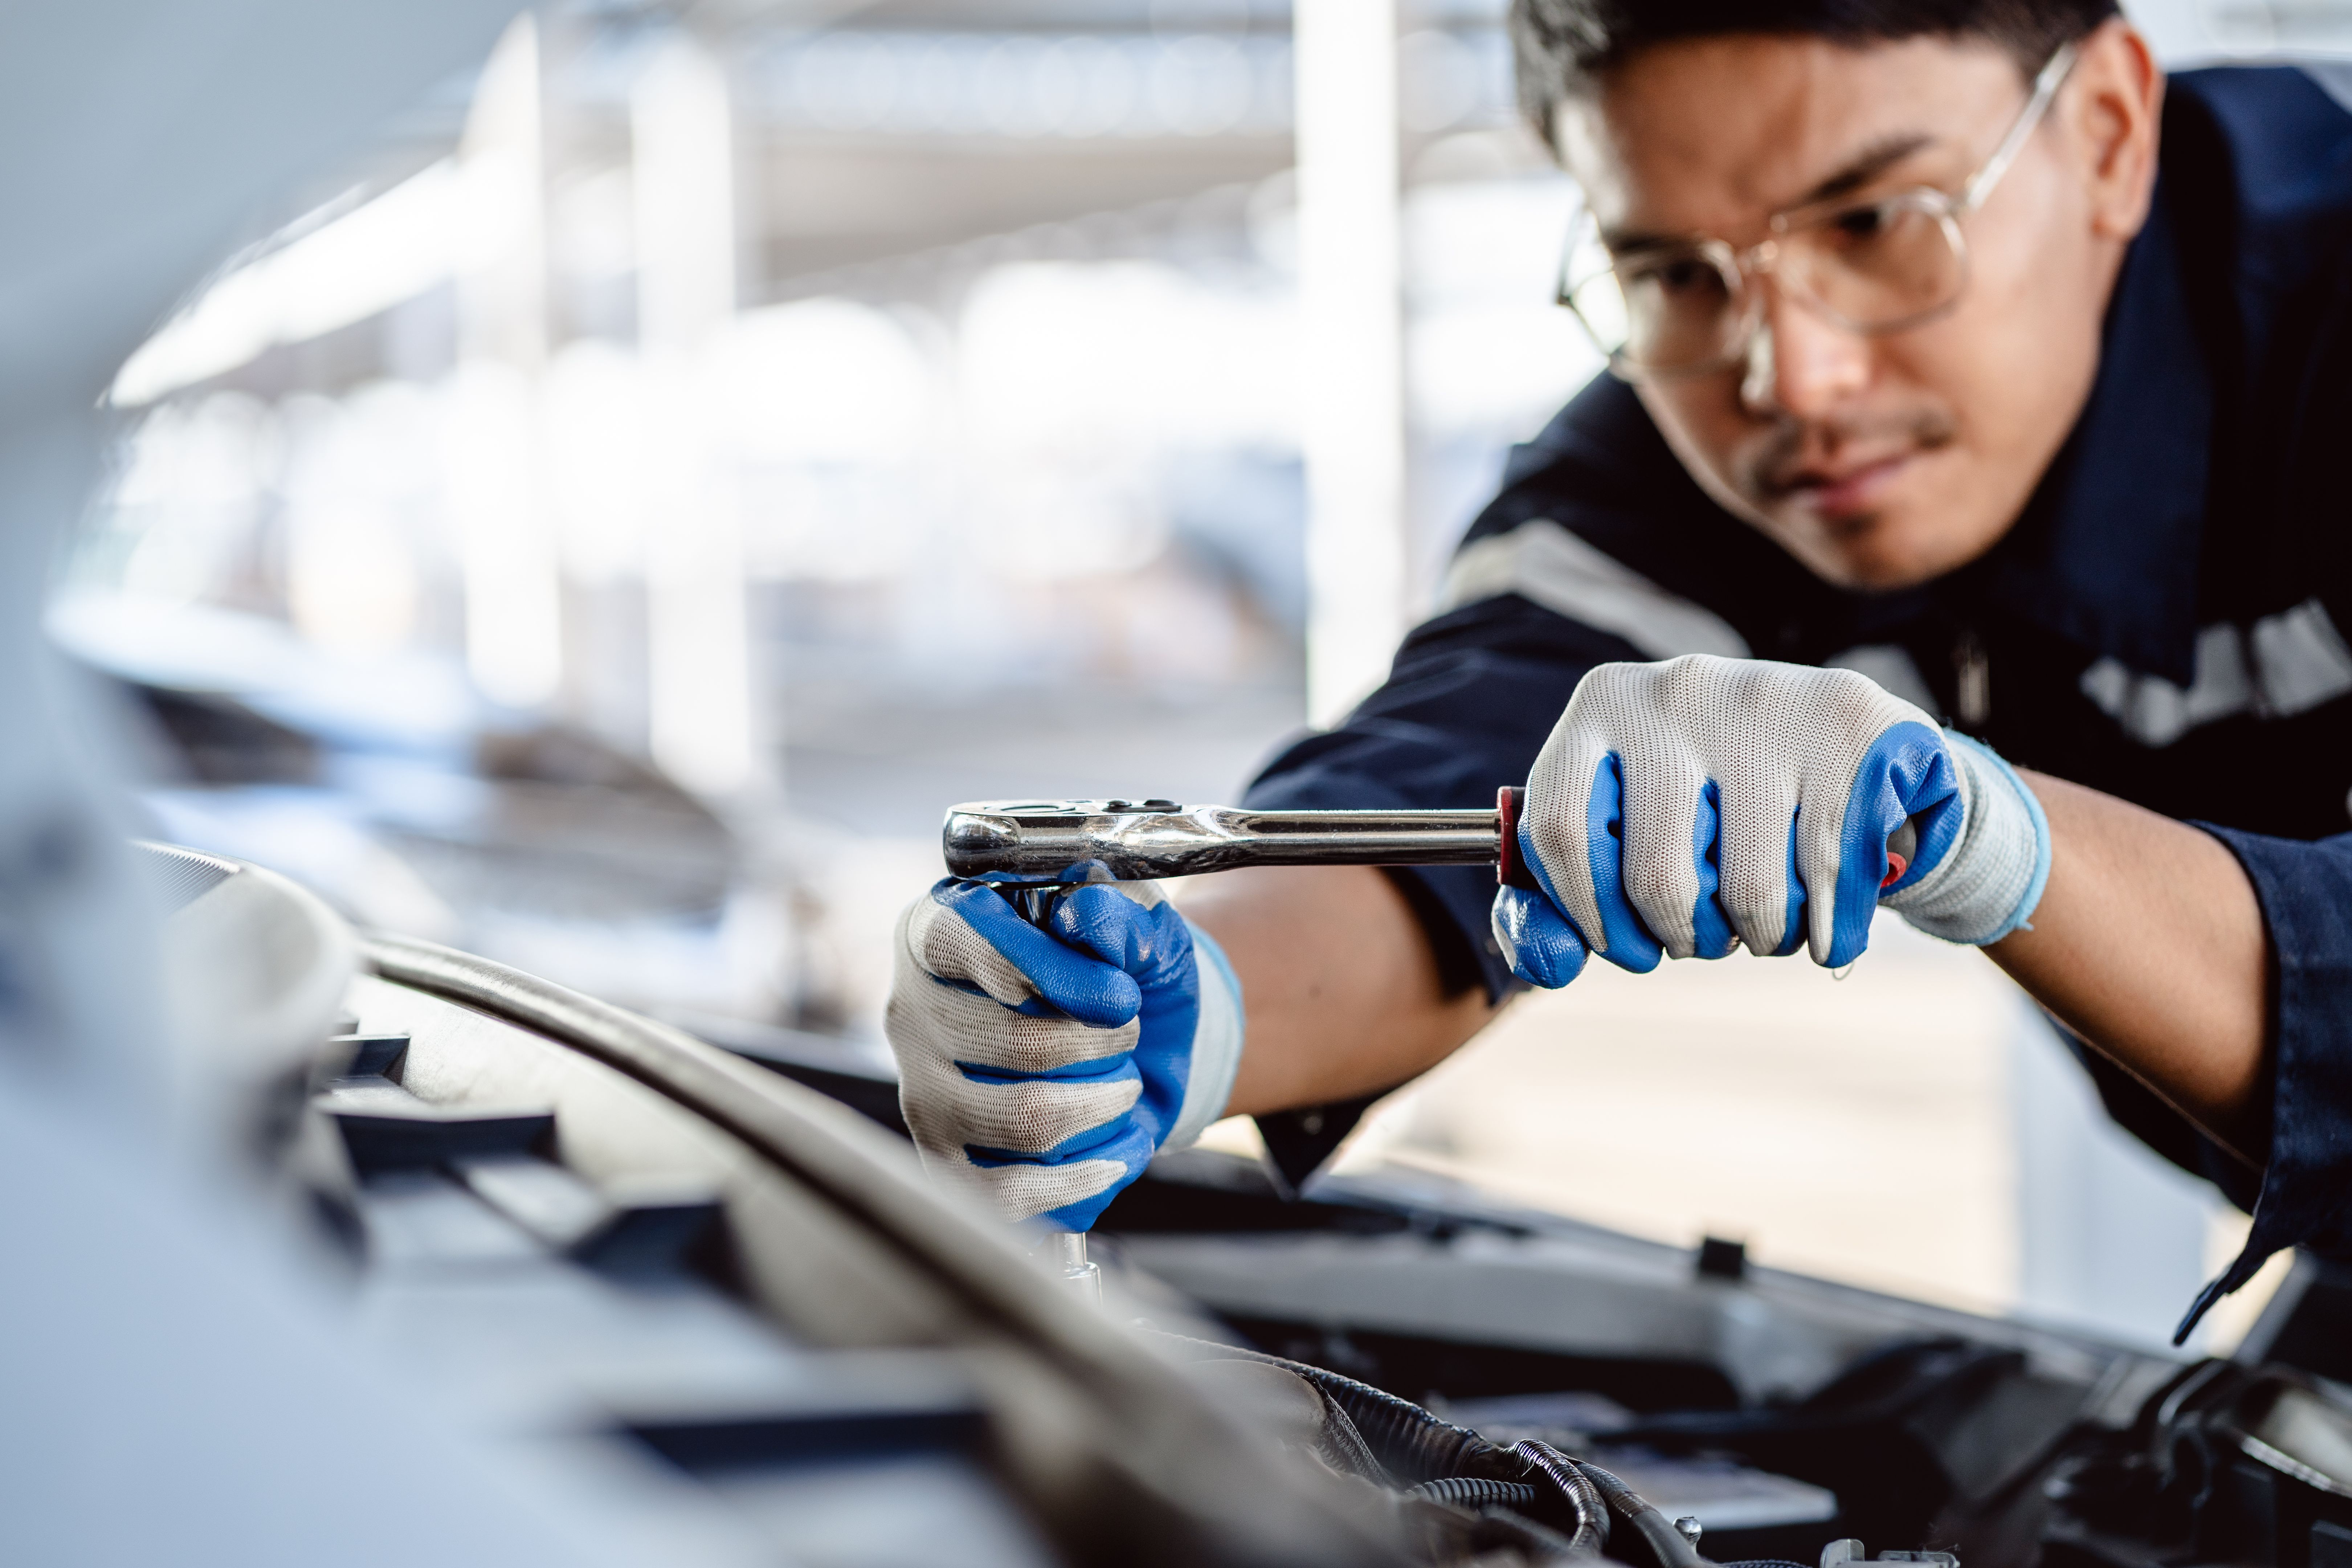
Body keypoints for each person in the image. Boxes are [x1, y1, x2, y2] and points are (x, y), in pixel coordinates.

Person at [887, 0, 2352, 1340]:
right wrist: (1179, 1002)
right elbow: (1458, 789)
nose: (1795, 380)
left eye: (1877, 219)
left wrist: (2008, 846)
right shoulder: (1688, 444)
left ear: (2106, 130)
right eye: (1670, 272)